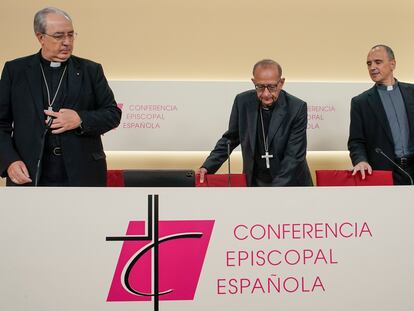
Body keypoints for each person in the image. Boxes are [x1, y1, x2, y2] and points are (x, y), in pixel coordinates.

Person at [0, 7, 121, 186]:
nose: (67, 42)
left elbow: (113, 114)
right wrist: (9, 161)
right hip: (31, 173)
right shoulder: (15, 71)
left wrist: (80, 119)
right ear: (40, 37)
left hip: (82, 173)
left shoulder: (91, 70)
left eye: (71, 35)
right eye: (59, 36)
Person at [197, 59, 313, 186]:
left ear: (281, 83)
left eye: (272, 87)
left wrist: (274, 191)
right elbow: (230, 139)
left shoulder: (296, 108)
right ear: (253, 82)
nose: (266, 93)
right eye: (260, 87)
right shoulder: (242, 102)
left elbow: (294, 156)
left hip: (291, 183)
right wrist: (207, 167)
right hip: (256, 182)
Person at [348, 45, 414, 185]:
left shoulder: (412, 92)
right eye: (369, 64)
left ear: (392, 64)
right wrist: (361, 160)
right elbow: (356, 141)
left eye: (378, 62)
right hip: (384, 172)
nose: (372, 67)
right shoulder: (361, 102)